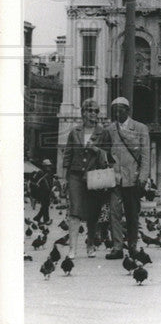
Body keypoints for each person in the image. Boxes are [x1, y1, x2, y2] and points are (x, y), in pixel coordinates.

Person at [62, 100, 112, 257]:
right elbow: (67, 154)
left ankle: (90, 244)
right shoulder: (74, 132)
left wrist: (95, 149)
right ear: (83, 113)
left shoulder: (103, 132)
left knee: (93, 212)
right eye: (90, 110)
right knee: (74, 211)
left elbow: (109, 155)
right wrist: (64, 178)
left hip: (94, 175)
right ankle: (72, 248)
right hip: (75, 175)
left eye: (96, 111)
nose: (93, 114)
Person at [104, 97, 151, 260]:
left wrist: (143, 177)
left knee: (132, 215)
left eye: (120, 110)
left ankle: (132, 246)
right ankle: (117, 247)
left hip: (133, 177)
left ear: (128, 110)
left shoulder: (140, 128)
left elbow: (145, 155)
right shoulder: (109, 129)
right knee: (114, 213)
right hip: (115, 178)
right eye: (114, 110)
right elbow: (105, 152)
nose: (117, 113)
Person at [31, 160, 56, 224]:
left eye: (49, 166)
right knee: (45, 205)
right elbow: (34, 182)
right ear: (44, 166)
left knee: (45, 205)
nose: (49, 167)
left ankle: (37, 217)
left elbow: (51, 182)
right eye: (47, 166)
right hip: (41, 192)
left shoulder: (49, 173)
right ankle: (46, 220)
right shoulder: (40, 172)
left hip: (48, 192)